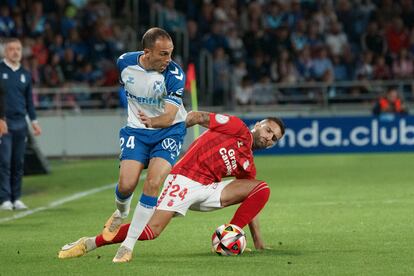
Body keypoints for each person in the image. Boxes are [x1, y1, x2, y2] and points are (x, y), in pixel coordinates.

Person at [58, 111, 285, 262]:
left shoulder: (248, 163)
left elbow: (251, 201)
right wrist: (169, 132)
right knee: (150, 231)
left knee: (260, 188)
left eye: (274, 138)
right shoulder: (236, 127)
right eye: (268, 130)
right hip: (184, 179)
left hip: (208, 189)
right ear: (258, 125)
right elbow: (197, 116)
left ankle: (231, 236)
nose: (269, 138)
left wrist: (258, 242)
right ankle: (90, 242)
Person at [100, 27, 188, 262]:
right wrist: (140, 119)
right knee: (127, 185)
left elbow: (169, 117)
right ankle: (121, 212)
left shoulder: (174, 74)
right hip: (137, 131)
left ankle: (127, 246)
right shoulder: (124, 62)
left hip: (168, 131)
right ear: (147, 52)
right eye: (163, 54)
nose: (168, 60)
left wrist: (154, 121)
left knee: (153, 182)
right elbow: (127, 89)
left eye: (170, 53)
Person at [0, 38, 42, 211]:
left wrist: (34, 122)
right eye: (12, 49)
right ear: (5, 51)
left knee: (18, 162)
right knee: (4, 162)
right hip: (4, 123)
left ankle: (16, 197)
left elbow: (29, 101)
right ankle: (4, 199)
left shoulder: (25, 73)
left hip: (20, 123)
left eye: (18, 49)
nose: (15, 52)